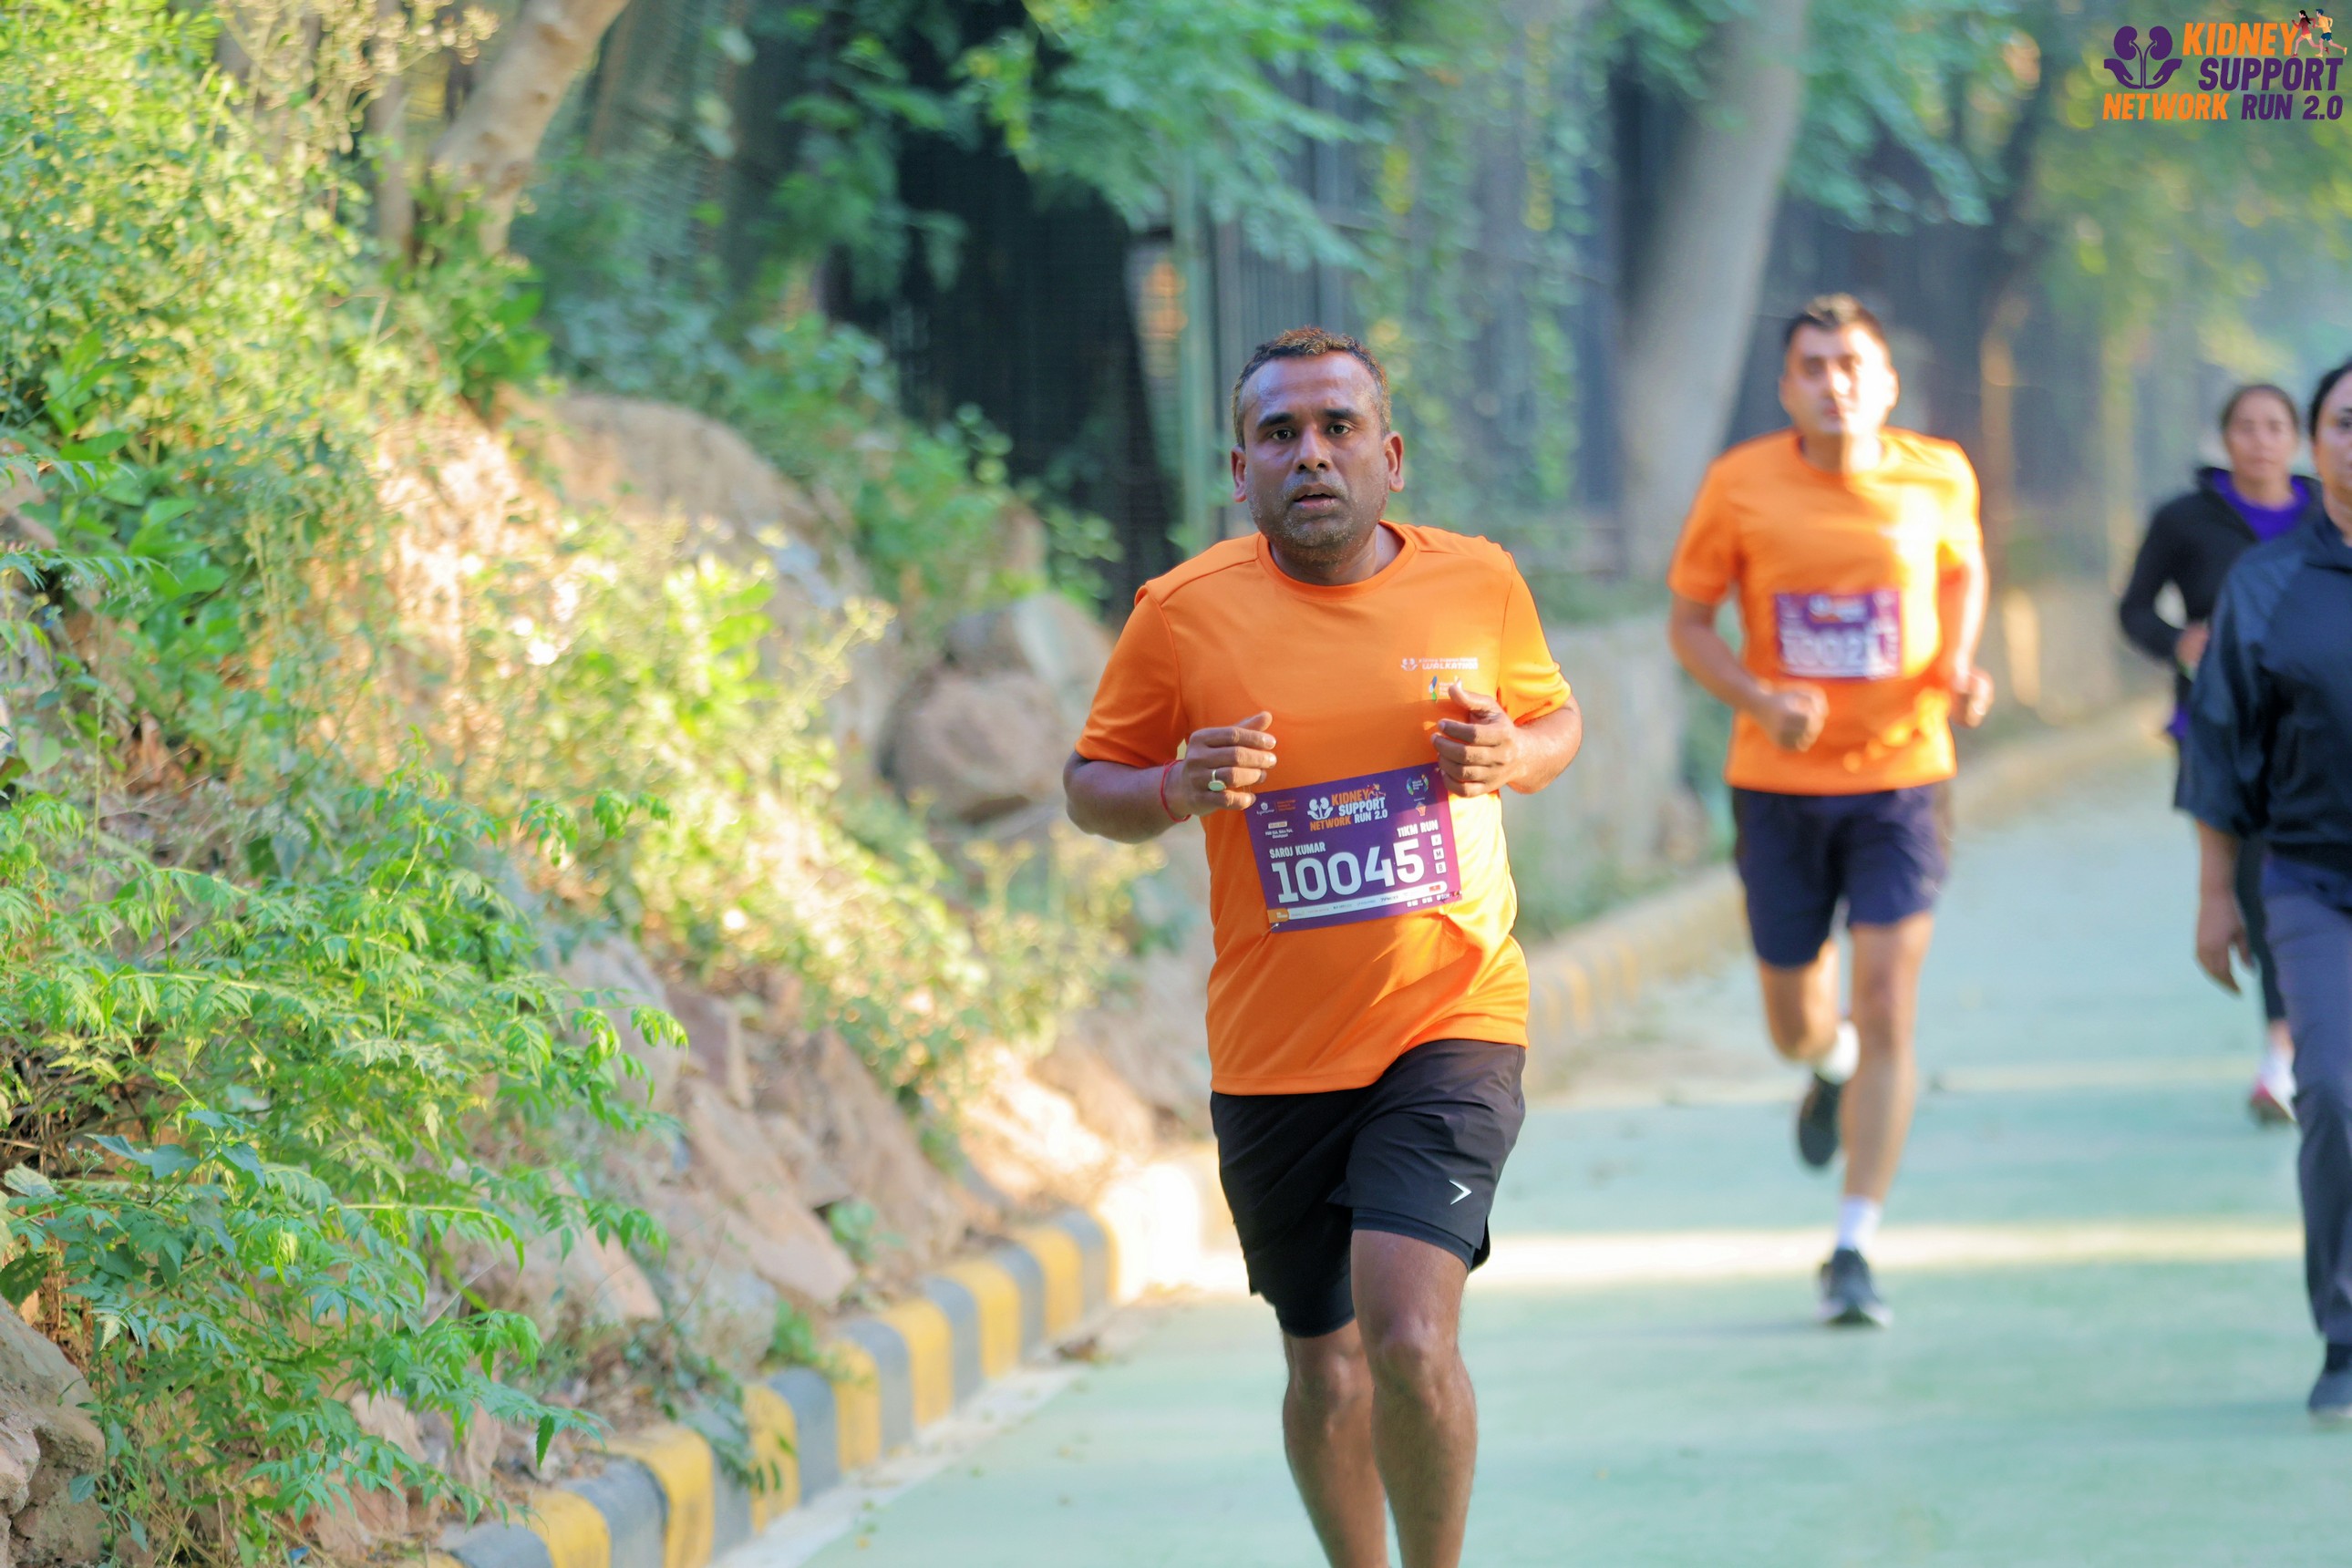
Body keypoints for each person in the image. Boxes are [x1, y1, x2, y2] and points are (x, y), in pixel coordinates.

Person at [1064, 326, 1583, 1567]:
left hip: (1450, 1017)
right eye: (1280, 434)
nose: (1311, 454)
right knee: (1326, 1365)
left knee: (1407, 1335)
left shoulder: (1477, 583)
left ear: (1388, 458)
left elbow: (1554, 716)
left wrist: (1515, 753)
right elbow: (1090, 785)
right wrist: (1174, 788)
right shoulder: (1182, 616)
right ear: (1237, 469)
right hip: (1277, 1053)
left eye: (1338, 428)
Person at [1666, 294, 1994, 1329]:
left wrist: (1958, 664)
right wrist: (1760, 697)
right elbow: (1689, 622)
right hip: (1779, 787)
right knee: (1796, 1022)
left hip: (1902, 778)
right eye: (1813, 366)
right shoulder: (1741, 483)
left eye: (1852, 364)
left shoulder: (1939, 473)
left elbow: (1963, 571)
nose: (1834, 382)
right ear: (1786, 387)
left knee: (1888, 1001)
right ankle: (1829, 1065)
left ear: (1887, 382)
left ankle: (1854, 1242)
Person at [2182, 359, 2352, 1420]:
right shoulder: (2266, 583)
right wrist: (2215, 894)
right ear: (2313, 445)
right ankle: (2346, 1332)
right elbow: (2220, 743)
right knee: (2332, 1089)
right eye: (2346, 422)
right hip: (2311, 879)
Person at [2119, 384, 2319, 1124]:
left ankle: (2303, 1046)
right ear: (2225, 438)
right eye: (2246, 427)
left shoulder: (2328, 513)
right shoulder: (2184, 519)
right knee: (2258, 882)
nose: (2261, 441)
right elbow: (2133, 609)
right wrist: (2179, 642)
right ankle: (2281, 1055)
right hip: (2220, 728)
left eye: (2275, 427)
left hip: (2317, 728)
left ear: (2297, 438)